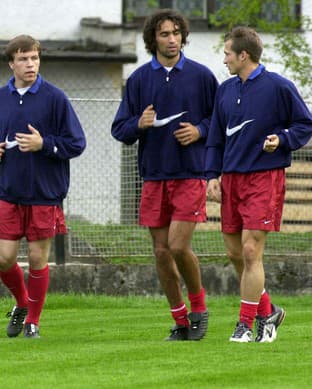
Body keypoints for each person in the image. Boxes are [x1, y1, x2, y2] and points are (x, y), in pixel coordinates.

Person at [111, 9, 217, 341]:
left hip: (190, 173)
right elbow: (120, 129)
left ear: (183, 36)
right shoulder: (139, 80)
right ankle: (180, 319)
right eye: (164, 34)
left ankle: (199, 309)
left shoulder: (201, 76)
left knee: (177, 245)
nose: (171, 40)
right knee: (160, 252)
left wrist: (199, 131)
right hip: (154, 176)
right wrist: (138, 124)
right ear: (152, 39)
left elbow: (220, 122)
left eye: (176, 33)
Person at [205, 26, 312, 343]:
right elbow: (214, 137)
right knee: (235, 252)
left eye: (227, 53)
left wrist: (282, 140)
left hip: (265, 177)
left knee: (252, 250)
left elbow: (305, 124)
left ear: (243, 55)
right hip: (232, 179)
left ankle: (245, 324)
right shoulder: (224, 90)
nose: (224, 59)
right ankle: (269, 312)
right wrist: (212, 175)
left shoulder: (279, 87)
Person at [0, 35, 86, 338]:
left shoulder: (55, 98)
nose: (30, 64)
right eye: (24, 59)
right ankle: (23, 302)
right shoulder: (0, 98)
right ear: (11, 63)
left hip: (45, 194)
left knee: (38, 259)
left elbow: (76, 143)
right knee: (3, 258)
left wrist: (44, 144)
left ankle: (32, 321)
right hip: (9, 193)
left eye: (35, 58)